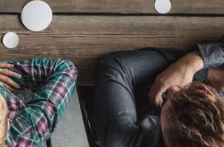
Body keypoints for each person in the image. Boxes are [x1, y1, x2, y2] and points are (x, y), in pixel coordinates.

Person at [95, 39, 224, 147]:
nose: (173, 89)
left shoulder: (124, 141)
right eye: (194, 92)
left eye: (173, 108)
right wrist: (197, 65)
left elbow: (114, 68)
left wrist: (192, 65)